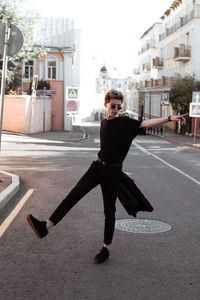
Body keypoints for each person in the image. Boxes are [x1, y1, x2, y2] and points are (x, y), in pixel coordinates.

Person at [27, 90, 187, 264]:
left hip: (113, 172)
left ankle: (105, 248)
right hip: (97, 166)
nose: (116, 109)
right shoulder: (104, 122)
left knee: (109, 211)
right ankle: (46, 227)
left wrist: (170, 118)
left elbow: (146, 123)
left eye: (119, 106)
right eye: (113, 105)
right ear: (106, 105)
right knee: (73, 195)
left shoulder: (125, 123)